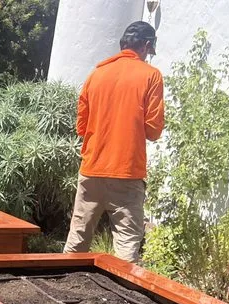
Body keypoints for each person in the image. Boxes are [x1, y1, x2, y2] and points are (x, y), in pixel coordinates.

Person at [63, 21, 164, 263]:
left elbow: (81, 127)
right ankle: (126, 297)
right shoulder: (151, 76)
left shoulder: (96, 74)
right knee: (127, 246)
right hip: (127, 173)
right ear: (146, 45)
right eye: (149, 51)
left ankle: (59, 285)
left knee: (76, 240)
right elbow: (153, 130)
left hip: (92, 170)